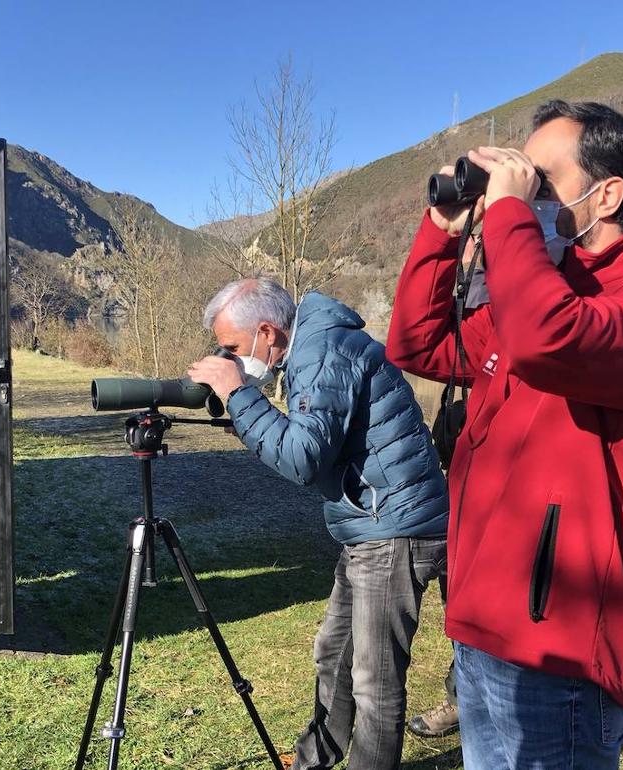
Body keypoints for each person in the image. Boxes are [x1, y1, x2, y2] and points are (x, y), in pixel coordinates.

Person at [386, 100, 623, 769]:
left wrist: (508, 216)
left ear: (608, 194)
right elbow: (418, 346)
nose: (521, 189)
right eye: (518, 178)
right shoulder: (533, 301)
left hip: (557, 645)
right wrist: (443, 233)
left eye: (539, 178)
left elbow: (546, 340)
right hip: (482, 624)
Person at [187, 277, 449, 770]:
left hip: (393, 528)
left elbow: (303, 458)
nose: (229, 358)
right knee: (334, 651)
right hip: (368, 523)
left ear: (267, 332)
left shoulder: (323, 351)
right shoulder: (314, 343)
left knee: (375, 681)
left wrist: (238, 394)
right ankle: (316, 759)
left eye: (233, 348)